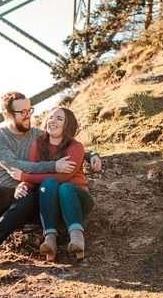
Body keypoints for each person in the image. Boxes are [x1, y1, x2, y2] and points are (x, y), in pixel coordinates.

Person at [0, 92, 101, 271]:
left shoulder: (37, 134)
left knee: (30, 195)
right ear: (7, 115)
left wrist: (90, 155)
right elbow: (15, 166)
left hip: (30, 194)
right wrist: (53, 166)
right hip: (4, 194)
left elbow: (64, 141)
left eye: (30, 110)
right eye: (22, 112)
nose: (28, 115)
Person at [7, 107, 97, 261]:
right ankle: (50, 240)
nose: (53, 121)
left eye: (59, 119)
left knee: (65, 187)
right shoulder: (38, 144)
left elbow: (63, 176)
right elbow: (34, 171)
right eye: (51, 117)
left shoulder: (76, 147)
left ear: (67, 125)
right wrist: (24, 184)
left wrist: (25, 176)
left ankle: (77, 238)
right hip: (51, 204)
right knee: (48, 183)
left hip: (77, 202)